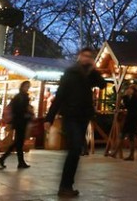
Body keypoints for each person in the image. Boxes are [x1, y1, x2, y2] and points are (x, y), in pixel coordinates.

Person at [44, 47, 107, 197]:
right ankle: (64, 186)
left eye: (89, 56)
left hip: (83, 116)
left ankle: (67, 185)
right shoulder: (70, 74)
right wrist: (49, 118)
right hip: (70, 116)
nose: (87, 58)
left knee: (76, 150)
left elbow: (103, 84)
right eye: (85, 56)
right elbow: (59, 96)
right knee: (74, 149)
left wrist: (94, 69)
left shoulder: (90, 74)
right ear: (79, 56)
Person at [0, 80, 34, 169]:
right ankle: (16, 161)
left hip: (20, 122)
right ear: (22, 87)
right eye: (26, 86)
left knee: (18, 143)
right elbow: (19, 110)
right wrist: (28, 113)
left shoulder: (22, 96)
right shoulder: (21, 97)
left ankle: (6, 159)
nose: (27, 88)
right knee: (19, 143)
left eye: (28, 87)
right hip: (20, 122)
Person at [118, 85, 137, 160]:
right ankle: (117, 152)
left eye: (129, 89)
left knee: (127, 135)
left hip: (132, 119)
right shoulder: (136, 98)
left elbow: (128, 106)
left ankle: (130, 155)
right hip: (133, 118)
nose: (128, 90)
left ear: (133, 90)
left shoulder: (135, 98)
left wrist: (125, 97)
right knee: (127, 135)